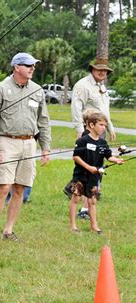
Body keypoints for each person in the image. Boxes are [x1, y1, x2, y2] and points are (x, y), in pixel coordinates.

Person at [0, 52, 51, 243]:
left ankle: (8, 230)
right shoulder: (0, 89)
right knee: (4, 187)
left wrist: (45, 147)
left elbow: (44, 120)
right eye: (28, 65)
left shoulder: (38, 90)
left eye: (33, 65)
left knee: (20, 188)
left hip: (29, 142)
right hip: (7, 141)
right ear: (16, 67)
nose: (32, 68)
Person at [70, 58, 115, 219]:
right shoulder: (83, 85)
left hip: (100, 130)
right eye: (99, 70)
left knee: (97, 166)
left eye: (105, 71)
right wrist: (80, 130)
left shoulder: (102, 86)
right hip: (87, 131)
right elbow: (76, 107)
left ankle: (87, 200)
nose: (102, 73)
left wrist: (110, 127)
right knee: (86, 169)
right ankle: (82, 204)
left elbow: (104, 110)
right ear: (92, 69)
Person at [67, 112, 123, 234]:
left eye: (105, 125)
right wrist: (88, 167)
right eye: (101, 124)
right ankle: (73, 226)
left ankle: (94, 226)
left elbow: (108, 156)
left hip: (94, 176)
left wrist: (117, 160)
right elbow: (76, 157)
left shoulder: (103, 143)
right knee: (76, 198)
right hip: (81, 174)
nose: (104, 127)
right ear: (92, 125)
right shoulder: (82, 140)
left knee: (92, 201)